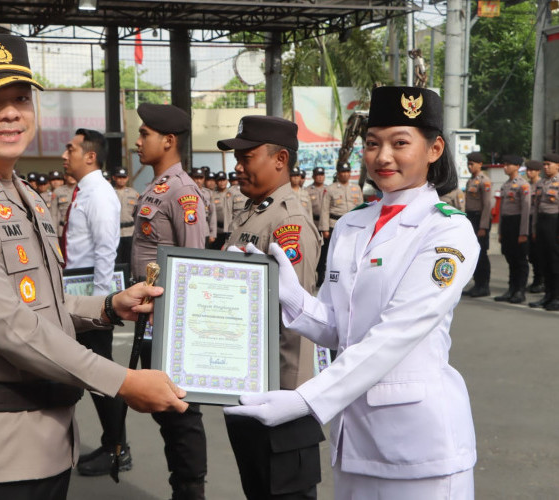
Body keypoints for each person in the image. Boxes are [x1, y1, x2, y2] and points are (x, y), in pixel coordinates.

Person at [0, 34, 188, 499]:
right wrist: (123, 382)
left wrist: (109, 307)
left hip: (48, 446)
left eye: (19, 98)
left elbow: (40, 301)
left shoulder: (21, 195)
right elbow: (10, 326)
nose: (11, 113)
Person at [225, 86, 479, 499]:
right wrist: (290, 294)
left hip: (419, 447)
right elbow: (338, 328)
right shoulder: (353, 224)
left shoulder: (447, 230)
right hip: (353, 439)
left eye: (400, 143)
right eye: (373, 143)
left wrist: (306, 399)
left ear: (434, 149)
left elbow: (395, 334)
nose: (383, 157)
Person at [218, 115, 324, 500]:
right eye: (237, 158)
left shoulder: (287, 223)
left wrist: (285, 400)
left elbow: (292, 322)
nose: (238, 166)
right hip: (251, 389)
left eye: (247, 157)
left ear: (280, 159)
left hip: (281, 399)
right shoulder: (252, 210)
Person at [131, 103, 208, 500]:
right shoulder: (157, 185)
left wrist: (182, 330)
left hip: (171, 324)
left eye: (144, 134)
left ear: (168, 140)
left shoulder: (182, 191)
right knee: (166, 413)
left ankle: (190, 490)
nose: (137, 141)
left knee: (180, 413)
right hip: (151, 319)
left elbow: (193, 262)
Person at [60, 129, 131, 477]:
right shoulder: (84, 191)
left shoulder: (99, 193)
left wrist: (103, 306)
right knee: (93, 373)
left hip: (91, 301)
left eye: (70, 148)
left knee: (101, 375)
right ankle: (112, 444)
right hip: (77, 296)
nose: (64, 154)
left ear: (90, 155)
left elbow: (106, 250)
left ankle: (117, 448)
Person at [494, 155, 531, 304]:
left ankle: (520, 291)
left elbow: (526, 210)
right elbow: (502, 210)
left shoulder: (523, 185)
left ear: (517, 166)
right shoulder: (506, 185)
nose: (505, 167)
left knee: (520, 260)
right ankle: (511, 289)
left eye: (508, 165)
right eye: (505, 164)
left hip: (518, 223)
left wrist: (523, 232)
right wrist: (501, 231)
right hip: (508, 224)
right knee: (510, 258)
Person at [319, 163, 363, 285]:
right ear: (338, 174)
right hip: (335, 224)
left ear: (350, 173)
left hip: (354, 224)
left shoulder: (356, 188)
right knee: (333, 253)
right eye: (342, 172)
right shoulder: (330, 189)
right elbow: (325, 209)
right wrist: (324, 228)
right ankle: (329, 277)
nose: (345, 174)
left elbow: (362, 207)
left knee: (352, 252)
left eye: (347, 171)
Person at [529, 153, 559, 310]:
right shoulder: (541, 183)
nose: (545, 167)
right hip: (542, 223)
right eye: (544, 164)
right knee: (544, 261)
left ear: (557, 166)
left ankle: (556, 297)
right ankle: (547, 295)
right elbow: (535, 208)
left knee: (555, 262)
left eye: (549, 164)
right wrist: (534, 228)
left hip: (555, 222)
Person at [462, 152, 493, 297]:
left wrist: (483, 226)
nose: (470, 166)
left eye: (472, 164)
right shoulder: (470, 181)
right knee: (473, 252)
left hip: (480, 218)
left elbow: (487, 205)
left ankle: (484, 285)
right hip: (471, 218)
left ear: (480, 164)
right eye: (468, 164)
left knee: (481, 253)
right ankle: (477, 283)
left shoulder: (484, 180)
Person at [112, 167, 139, 266]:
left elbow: (138, 213)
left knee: (129, 259)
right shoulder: (109, 193)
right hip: (115, 231)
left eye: (123, 177)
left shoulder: (133, 193)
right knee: (116, 260)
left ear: (127, 178)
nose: (121, 180)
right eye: (119, 177)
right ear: (114, 178)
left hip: (130, 231)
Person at [525, 160, 544, 293]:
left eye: (532, 170)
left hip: (539, 219)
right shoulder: (527, 185)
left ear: (538, 171)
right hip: (528, 219)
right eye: (528, 170)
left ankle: (540, 280)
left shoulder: (541, 184)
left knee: (539, 253)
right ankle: (537, 279)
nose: (529, 172)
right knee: (531, 253)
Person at [190, 167, 218, 246]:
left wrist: (213, 233)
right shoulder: (187, 191)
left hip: (204, 229)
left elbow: (212, 214)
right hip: (191, 228)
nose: (198, 180)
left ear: (204, 179)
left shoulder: (208, 193)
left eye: (201, 178)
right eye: (196, 178)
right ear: (192, 178)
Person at [53, 171, 77, 245]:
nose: (72, 177)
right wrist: (54, 233)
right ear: (65, 176)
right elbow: (53, 214)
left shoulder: (83, 190)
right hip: (63, 228)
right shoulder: (58, 191)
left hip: (79, 229)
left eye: (74, 175)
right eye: (69, 175)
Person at [210, 171, 232, 250]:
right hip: (218, 231)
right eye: (219, 180)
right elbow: (210, 214)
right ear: (216, 182)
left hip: (230, 230)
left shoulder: (232, 193)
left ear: (227, 181)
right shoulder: (213, 195)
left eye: (223, 180)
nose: (222, 182)